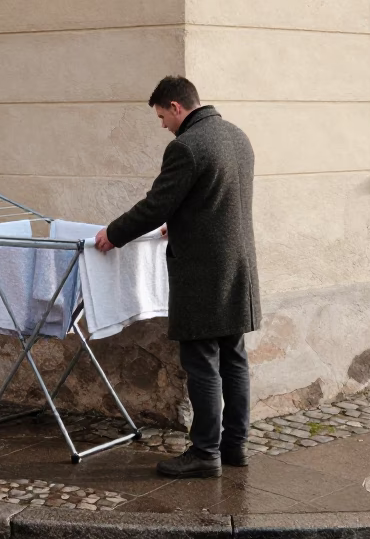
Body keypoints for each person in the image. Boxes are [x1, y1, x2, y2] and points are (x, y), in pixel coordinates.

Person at [95, 76, 260, 478]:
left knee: (202, 362)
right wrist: (183, 221)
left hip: (203, 271)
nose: (163, 125)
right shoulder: (237, 136)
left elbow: (156, 205)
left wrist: (113, 234)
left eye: (162, 117)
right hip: (239, 266)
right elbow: (218, 198)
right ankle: (234, 446)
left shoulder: (186, 146)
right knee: (233, 358)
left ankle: (205, 453)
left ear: (176, 106)